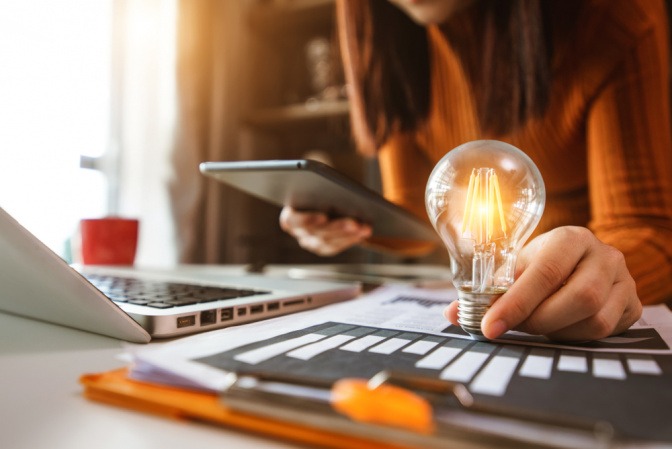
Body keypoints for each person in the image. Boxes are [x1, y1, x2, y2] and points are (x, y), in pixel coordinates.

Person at [280, 0, 672, 341]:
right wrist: (348, 215)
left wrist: (592, 277)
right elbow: (420, 208)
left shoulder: (607, 16)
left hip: (574, 295)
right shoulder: (385, 35)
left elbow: (648, 229)